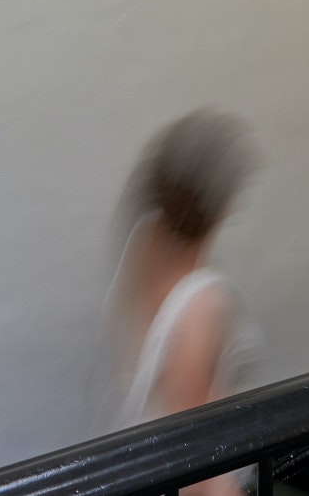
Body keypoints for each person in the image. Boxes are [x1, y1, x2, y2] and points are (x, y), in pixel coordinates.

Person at [105, 109, 261, 495]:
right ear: (222, 205)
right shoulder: (203, 303)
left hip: (145, 459)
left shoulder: (146, 244)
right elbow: (197, 456)